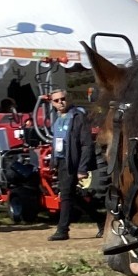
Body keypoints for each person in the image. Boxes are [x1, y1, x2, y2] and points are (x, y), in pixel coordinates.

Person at [46, 90, 101, 241]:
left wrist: (82, 168)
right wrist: (54, 162)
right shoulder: (57, 119)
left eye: (63, 99)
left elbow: (86, 144)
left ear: (69, 99)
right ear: (52, 103)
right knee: (71, 195)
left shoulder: (78, 116)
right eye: (56, 100)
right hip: (62, 161)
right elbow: (56, 141)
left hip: (73, 162)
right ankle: (101, 220)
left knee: (66, 195)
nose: (60, 102)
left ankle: (62, 230)